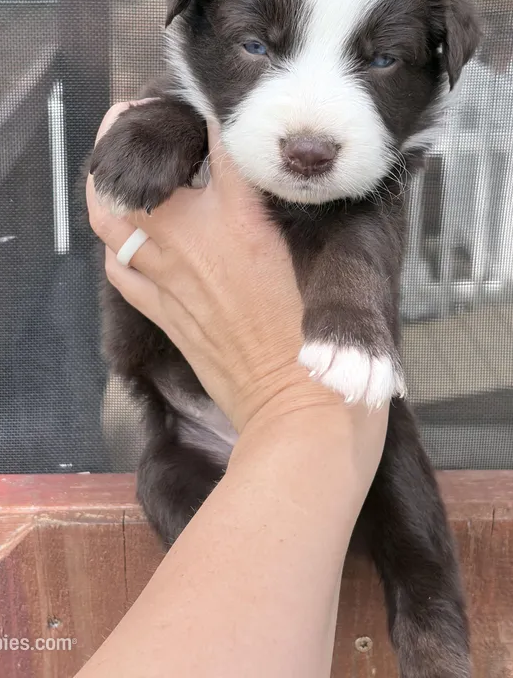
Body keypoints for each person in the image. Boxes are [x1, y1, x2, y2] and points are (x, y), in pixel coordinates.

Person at [79, 100, 389, 678]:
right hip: (195, 427)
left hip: (304, 430)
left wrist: (295, 402)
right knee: (167, 482)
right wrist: (304, 408)